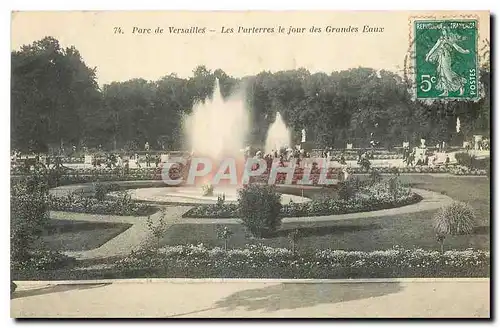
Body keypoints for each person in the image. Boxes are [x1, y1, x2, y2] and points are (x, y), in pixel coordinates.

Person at [425, 27, 470, 97]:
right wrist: (428, 56)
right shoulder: (440, 39)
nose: (444, 32)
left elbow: (457, 48)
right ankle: (445, 91)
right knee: (441, 73)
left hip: (446, 58)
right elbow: (434, 48)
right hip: (441, 58)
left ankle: (461, 85)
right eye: (443, 30)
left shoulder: (450, 40)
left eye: (445, 30)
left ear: (448, 31)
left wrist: (465, 51)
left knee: (448, 74)